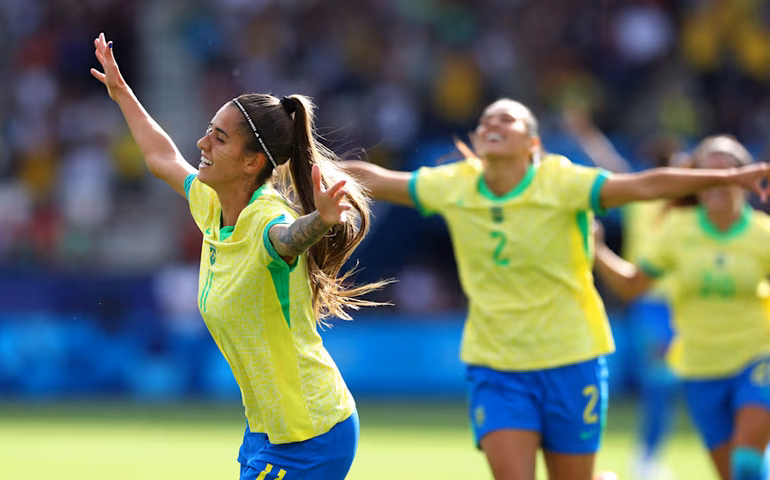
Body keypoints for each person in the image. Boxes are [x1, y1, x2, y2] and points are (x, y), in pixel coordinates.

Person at [344, 98, 770, 480]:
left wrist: (734, 176)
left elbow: (643, 185)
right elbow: (376, 179)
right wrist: (305, 166)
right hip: (497, 363)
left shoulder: (564, 183)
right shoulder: (454, 184)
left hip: (573, 358)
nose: (493, 122)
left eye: (507, 119)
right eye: (486, 119)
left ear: (532, 143)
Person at [91, 32, 387, 479]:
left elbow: (287, 238)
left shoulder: (265, 219)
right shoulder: (213, 204)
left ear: (252, 163)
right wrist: (122, 93)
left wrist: (321, 221)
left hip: (310, 434)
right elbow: (160, 157)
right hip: (267, 433)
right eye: (210, 131)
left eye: (220, 139)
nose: (202, 144)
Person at [593, 135, 770, 480]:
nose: (717, 181)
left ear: (744, 179)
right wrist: (597, 250)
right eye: (707, 172)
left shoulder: (763, 235)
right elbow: (633, 285)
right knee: (734, 473)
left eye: (727, 172)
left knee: (746, 462)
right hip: (700, 367)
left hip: (758, 356)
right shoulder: (676, 230)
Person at [563, 104, 684, 480]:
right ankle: (645, 460)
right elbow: (606, 161)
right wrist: (583, 132)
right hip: (651, 305)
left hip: (684, 305)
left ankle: (651, 456)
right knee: (660, 386)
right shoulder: (641, 197)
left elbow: (608, 160)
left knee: (684, 385)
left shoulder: (687, 208)